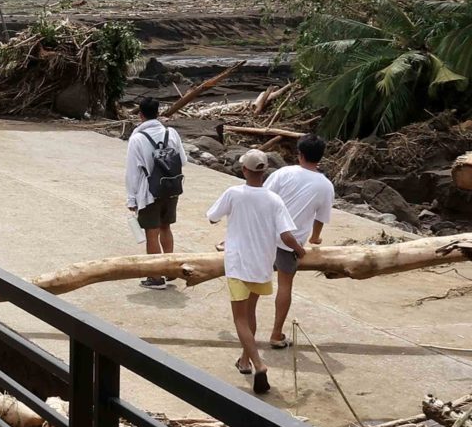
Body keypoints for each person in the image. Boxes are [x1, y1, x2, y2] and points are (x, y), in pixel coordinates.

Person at [205, 149, 304, 395]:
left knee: (240, 319)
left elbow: (212, 217)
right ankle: (244, 361)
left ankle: (258, 364)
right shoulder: (273, 199)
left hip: (238, 263)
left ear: (244, 170)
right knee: (251, 312)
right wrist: (300, 250)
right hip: (262, 265)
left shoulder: (234, 193)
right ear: (264, 171)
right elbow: (285, 235)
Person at [265, 134, 335, 351]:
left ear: (300, 154)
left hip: (266, 236)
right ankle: (276, 333)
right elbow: (320, 219)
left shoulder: (283, 173)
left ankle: (246, 329)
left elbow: (263, 198)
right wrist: (314, 238)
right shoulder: (325, 185)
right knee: (285, 285)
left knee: (254, 283)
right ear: (320, 157)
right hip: (291, 243)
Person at [123, 97, 186, 289]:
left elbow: (132, 171)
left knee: (152, 233)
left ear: (140, 114)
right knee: (166, 228)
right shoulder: (171, 132)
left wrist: (131, 198)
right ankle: (170, 270)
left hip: (149, 192)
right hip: (171, 188)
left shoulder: (137, 138)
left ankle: (155, 277)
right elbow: (183, 160)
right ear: (158, 113)